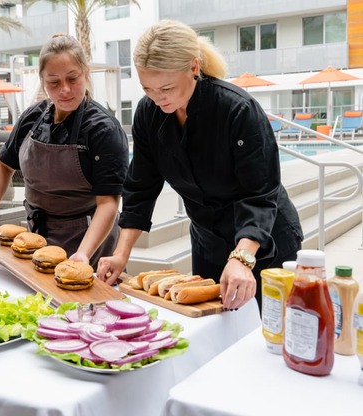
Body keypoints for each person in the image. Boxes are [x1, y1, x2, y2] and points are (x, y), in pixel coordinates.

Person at [97, 20, 303, 311]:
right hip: (209, 241)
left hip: (264, 240)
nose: (158, 98)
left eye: (166, 87)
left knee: (271, 331)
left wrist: (242, 258)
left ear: (194, 68)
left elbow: (258, 194)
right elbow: (141, 187)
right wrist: (121, 253)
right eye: (148, 89)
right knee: (214, 327)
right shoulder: (148, 113)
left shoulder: (237, 110)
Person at [0, 34, 129, 267]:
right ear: (42, 80)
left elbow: (108, 203)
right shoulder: (32, 117)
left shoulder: (103, 129)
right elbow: (4, 165)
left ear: (85, 72)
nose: (64, 90)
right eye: (54, 82)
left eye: (72, 78)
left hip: (89, 240)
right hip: (37, 237)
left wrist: (83, 254)